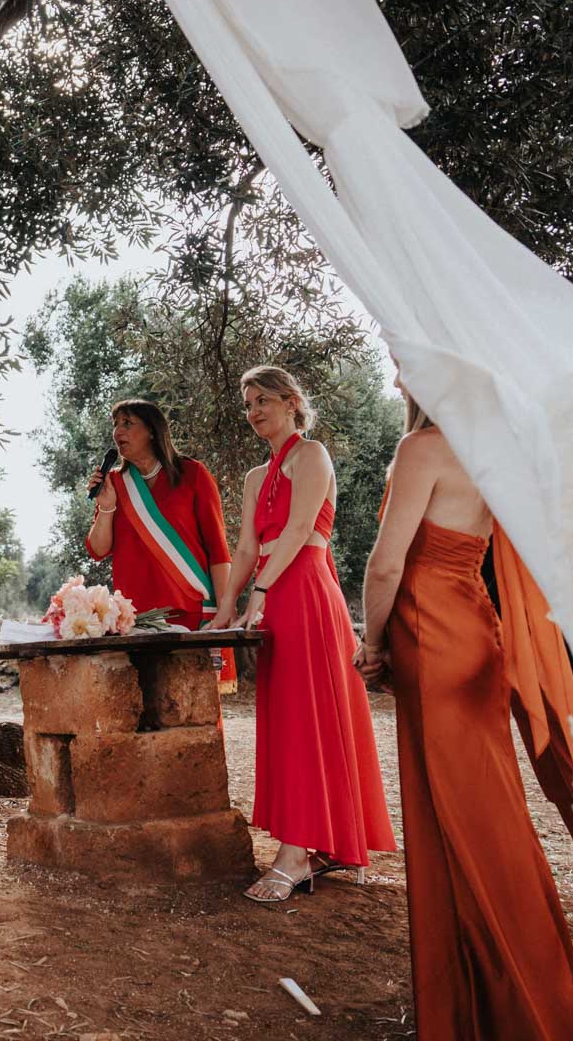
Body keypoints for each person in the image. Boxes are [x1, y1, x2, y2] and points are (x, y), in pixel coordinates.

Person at [355, 387, 573, 1040]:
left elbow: (385, 567)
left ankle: (507, 1011)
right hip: (476, 636)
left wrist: (372, 644)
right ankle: (501, 999)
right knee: (491, 816)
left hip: (432, 639)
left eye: (404, 364)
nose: (398, 379)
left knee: (459, 824)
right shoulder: (494, 449)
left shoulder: (422, 448)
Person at [211, 364, 394, 902]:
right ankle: (312, 845)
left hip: (308, 592)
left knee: (308, 717)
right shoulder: (254, 477)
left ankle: (296, 856)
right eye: (248, 404)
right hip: (274, 596)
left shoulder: (312, 455)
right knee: (288, 720)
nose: (253, 412)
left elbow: (298, 529)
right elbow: (246, 547)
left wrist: (262, 591)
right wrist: (227, 607)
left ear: (291, 402)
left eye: (263, 401)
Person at [84, 399, 236, 687]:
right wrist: (106, 506)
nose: (118, 432)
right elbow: (99, 549)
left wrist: (226, 607)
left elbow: (218, 549)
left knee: (193, 702)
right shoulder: (115, 483)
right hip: (135, 619)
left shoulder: (192, 474)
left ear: (152, 431)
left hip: (189, 612)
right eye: (115, 424)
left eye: (127, 423)